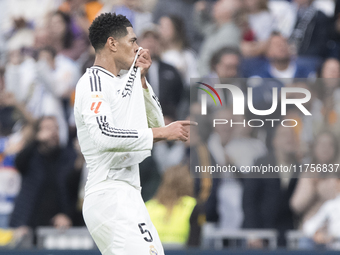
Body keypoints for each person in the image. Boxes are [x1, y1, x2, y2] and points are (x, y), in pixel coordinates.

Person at [74, 13, 195, 255]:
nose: (139, 48)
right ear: (112, 43)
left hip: (128, 194)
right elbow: (104, 135)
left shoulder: (125, 82)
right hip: (109, 193)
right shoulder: (93, 83)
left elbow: (155, 123)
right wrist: (162, 132)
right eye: (133, 41)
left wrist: (141, 82)